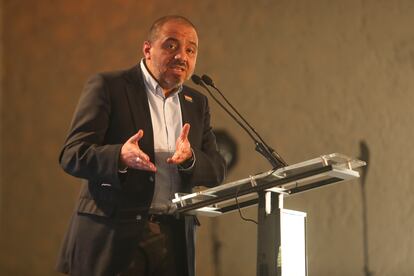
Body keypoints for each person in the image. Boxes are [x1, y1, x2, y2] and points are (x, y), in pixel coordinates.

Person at [56, 15, 226, 276]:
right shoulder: (109, 87)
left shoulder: (197, 102)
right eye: (171, 45)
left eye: (190, 49)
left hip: (174, 238)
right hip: (115, 237)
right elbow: (72, 154)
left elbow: (216, 169)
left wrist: (191, 158)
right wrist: (119, 156)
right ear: (147, 49)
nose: (182, 55)